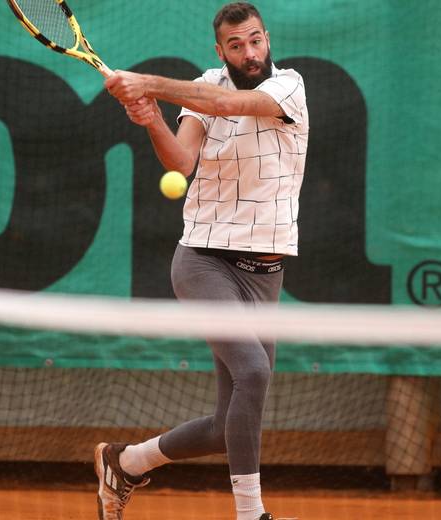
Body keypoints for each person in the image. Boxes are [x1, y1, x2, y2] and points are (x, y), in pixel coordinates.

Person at [96, 3, 308, 520]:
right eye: (237, 45)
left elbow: (230, 106)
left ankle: (124, 463)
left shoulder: (288, 87)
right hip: (204, 260)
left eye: (256, 40)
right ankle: (251, 513)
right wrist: (150, 120)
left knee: (226, 426)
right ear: (221, 50)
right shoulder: (205, 84)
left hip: (266, 273)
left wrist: (147, 83)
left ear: (267, 39)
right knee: (253, 373)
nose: (250, 52)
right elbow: (181, 160)